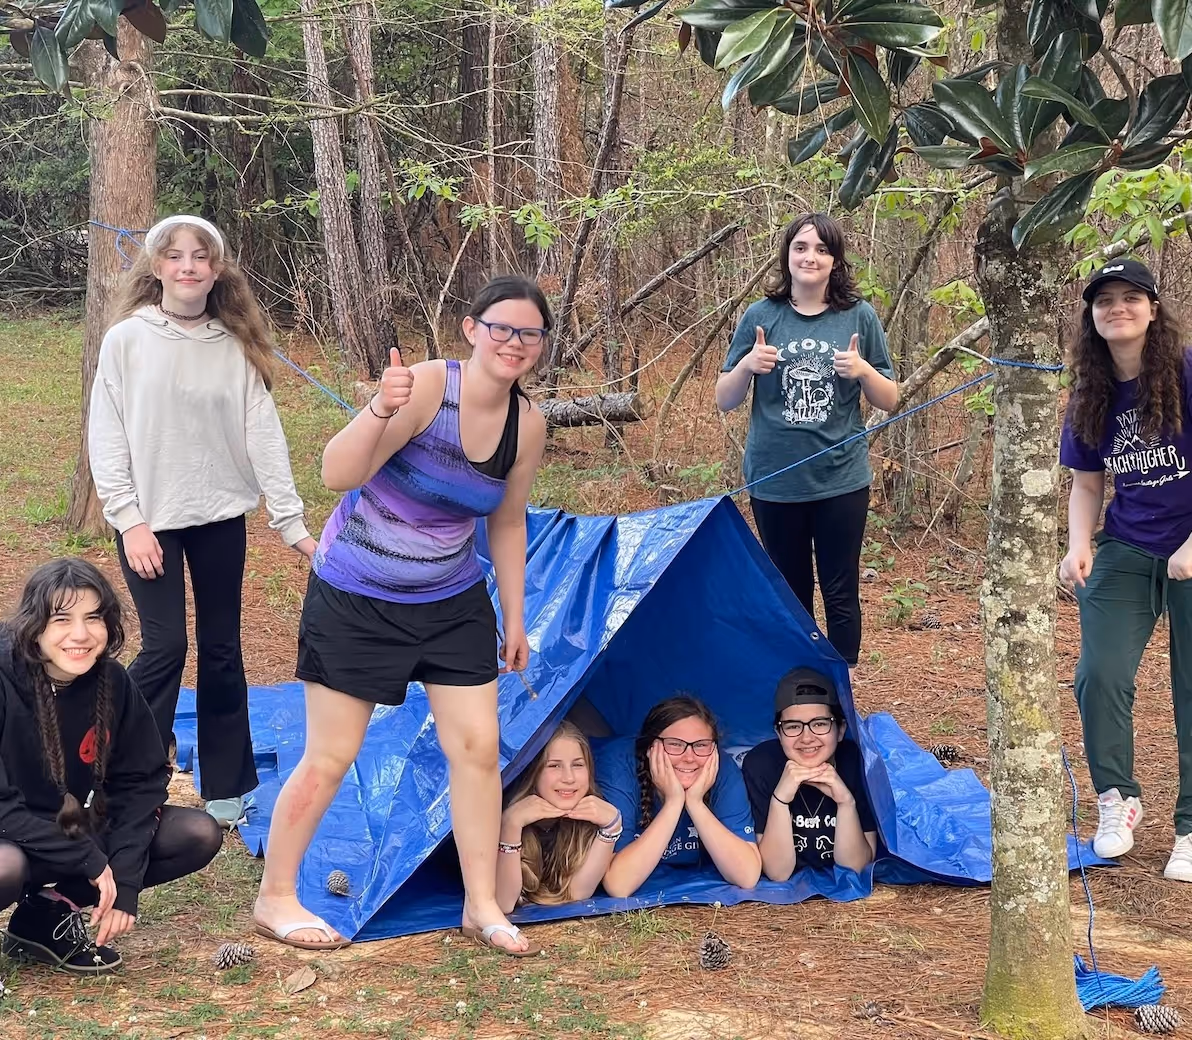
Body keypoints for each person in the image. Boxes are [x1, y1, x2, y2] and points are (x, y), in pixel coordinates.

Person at [253, 275, 551, 955]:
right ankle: (275, 897)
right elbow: (336, 474)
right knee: (332, 754)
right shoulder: (425, 387)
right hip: (357, 595)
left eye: (529, 334)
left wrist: (514, 616)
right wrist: (379, 410)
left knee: (477, 749)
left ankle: (480, 904)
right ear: (471, 329)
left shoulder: (527, 424)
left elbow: (507, 522)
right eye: (501, 328)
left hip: (451, 600)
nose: (514, 343)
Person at [88, 214, 316, 829]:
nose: (187, 266)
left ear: (217, 271)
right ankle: (120, 774)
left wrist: (292, 525)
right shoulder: (127, 339)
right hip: (149, 522)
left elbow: (264, 436)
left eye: (200, 256)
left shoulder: (234, 345)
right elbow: (106, 435)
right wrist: (130, 520)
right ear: (156, 267)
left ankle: (226, 785)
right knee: (166, 646)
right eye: (175, 255)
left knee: (221, 648)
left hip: (218, 517)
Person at [0, 559, 223, 974]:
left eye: (93, 618)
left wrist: (125, 879)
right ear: (33, 625)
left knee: (196, 833)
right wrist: (88, 857)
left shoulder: (111, 681)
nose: (80, 635)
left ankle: (46, 915)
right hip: (8, 834)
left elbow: (141, 783)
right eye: (62, 619)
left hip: (62, 831)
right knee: (5, 867)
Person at [1059, 258, 1192, 884]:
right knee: (1099, 675)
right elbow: (1087, 484)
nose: (1117, 308)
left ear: (1153, 309)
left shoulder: (1185, 372)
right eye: (1104, 300)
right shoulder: (1091, 392)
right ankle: (1117, 797)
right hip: (1129, 544)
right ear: (1091, 316)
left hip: (1189, 546)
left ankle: (1190, 827)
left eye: (1130, 297)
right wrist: (1077, 545)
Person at [715, 213, 897, 669]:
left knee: (840, 590)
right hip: (775, 479)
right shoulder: (761, 316)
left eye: (821, 249)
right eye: (800, 247)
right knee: (789, 592)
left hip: (841, 479)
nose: (810, 257)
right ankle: (801, 688)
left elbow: (890, 398)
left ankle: (842, 686)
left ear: (835, 260)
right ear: (787, 255)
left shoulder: (858, 316)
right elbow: (724, 399)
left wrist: (863, 371)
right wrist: (747, 366)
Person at [595, 696, 761, 898]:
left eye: (701, 745)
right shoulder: (619, 767)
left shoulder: (721, 768)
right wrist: (673, 803)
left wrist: (695, 803)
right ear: (650, 747)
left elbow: (747, 876)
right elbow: (619, 885)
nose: (689, 757)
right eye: (674, 744)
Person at [742, 667, 877, 880]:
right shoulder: (761, 765)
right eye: (793, 726)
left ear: (841, 730)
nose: (806, 738)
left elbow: (855, 868)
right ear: (778, 733)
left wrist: (846, 802)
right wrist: (779, 801)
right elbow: (778, 873)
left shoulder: (856, 762)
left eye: (820, 724)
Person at [496, 722, 621, 912]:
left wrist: (611, 829)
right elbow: (503, 903)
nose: (569, 778)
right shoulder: (500, 812)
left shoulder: (590, 817)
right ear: (533, 772)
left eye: (578, 765)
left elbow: (577, 894)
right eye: (554, 765)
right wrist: (510, 825)